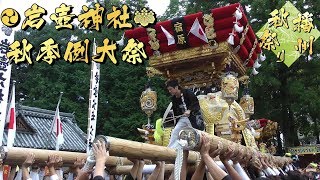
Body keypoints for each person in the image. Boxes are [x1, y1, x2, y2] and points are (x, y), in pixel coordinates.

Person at [165, 79, 203, 148]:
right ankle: (170, 149)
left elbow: (195, 103)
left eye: (170, 89)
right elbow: (175, 111)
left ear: (176, 87)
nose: (169, 91)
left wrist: (189, 110)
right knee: (175, 131)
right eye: (169, 90)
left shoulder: (188, 92)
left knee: (195, 133)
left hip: (192, 118)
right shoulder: (174, 98)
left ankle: (199, 148)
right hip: (182, 118)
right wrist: (175, 119)